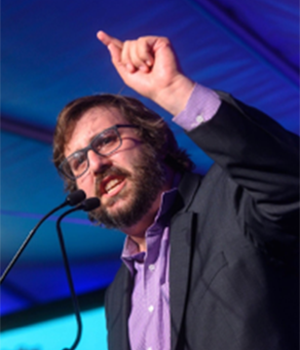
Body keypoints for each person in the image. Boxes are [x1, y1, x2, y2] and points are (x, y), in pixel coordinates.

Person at [53, 31, 300, 350]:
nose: (96, 164)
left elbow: (289, 181)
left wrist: (173, 90)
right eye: (78, 162)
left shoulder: (232, 197)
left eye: (106, 140)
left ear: (154, 139)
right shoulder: (116, 294)